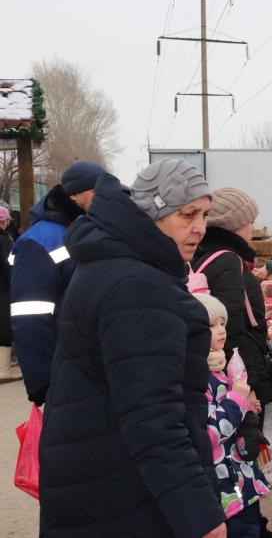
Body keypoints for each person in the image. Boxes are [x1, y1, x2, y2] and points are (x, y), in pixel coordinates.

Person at [39, 159, 226, 538]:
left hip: (100, 474)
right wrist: (201, 518)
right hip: (124, 493)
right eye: (187, 214)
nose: (200, 228)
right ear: (154, 213)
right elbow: (153, 419)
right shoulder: (137, 286)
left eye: (205, 215)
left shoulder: (115, 264)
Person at [10, 159, 104, 405]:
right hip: (64, 375)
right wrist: (44, 383)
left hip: (94, 369)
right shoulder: (39, 241)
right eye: (97, 191)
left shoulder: (94, 231)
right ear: (74, 196)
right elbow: (30, 315)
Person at [194, 293, 271, 538]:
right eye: (211, 326)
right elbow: (208, 435)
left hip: (241, 482)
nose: (221, 331)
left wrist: (246, 408)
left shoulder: (218, 367)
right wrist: (237, 401)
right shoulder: (196, 378)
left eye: (222, 324)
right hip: (225, 492)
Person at [193, 188, 272, 417]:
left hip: (220, 370)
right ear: (234, 224)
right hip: (237, 375)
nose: (254, 228)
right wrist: (248, 387)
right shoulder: (228, 260)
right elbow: (232, 329)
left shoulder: (205, 254)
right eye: (250, 221)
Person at [0, 206, 18, 382]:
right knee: (3, 328)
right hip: (3, 290)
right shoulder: (5, 241)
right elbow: (10, 266)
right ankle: (3, 369)